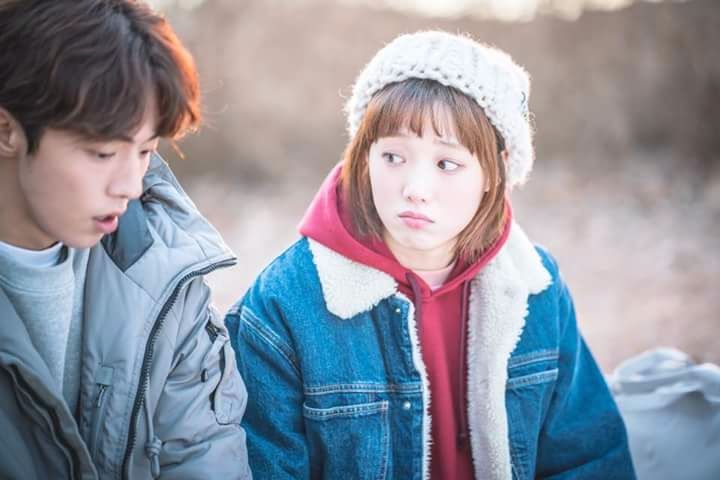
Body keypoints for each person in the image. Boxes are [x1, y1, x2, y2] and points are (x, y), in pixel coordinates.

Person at [226, 30, 635, 479]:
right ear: (364, 158)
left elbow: (588, 458)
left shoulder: (536, 288)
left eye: (447, 164)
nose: (416, 189)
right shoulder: (285, 302)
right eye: (393, 157)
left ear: (494, 173)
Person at [0, 1, 251, 478]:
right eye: (102, 153)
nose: (131, 187)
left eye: (145, 152)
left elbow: (203, 457)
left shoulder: (168, 283)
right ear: (7, 130)